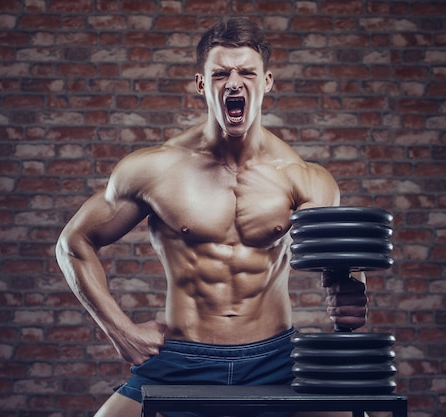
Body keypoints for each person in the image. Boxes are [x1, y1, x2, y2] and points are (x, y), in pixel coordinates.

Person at [56, 17, 368, 417]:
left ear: (267, 81)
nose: (234, 82)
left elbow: (341, 259)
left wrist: (354, 287)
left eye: (246, 73)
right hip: (180, 362)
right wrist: (120, 331)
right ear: (202, 84)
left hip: (278, 362)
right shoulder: (156, 169)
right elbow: (74, 244)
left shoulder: (304, 179)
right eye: (221, 73)